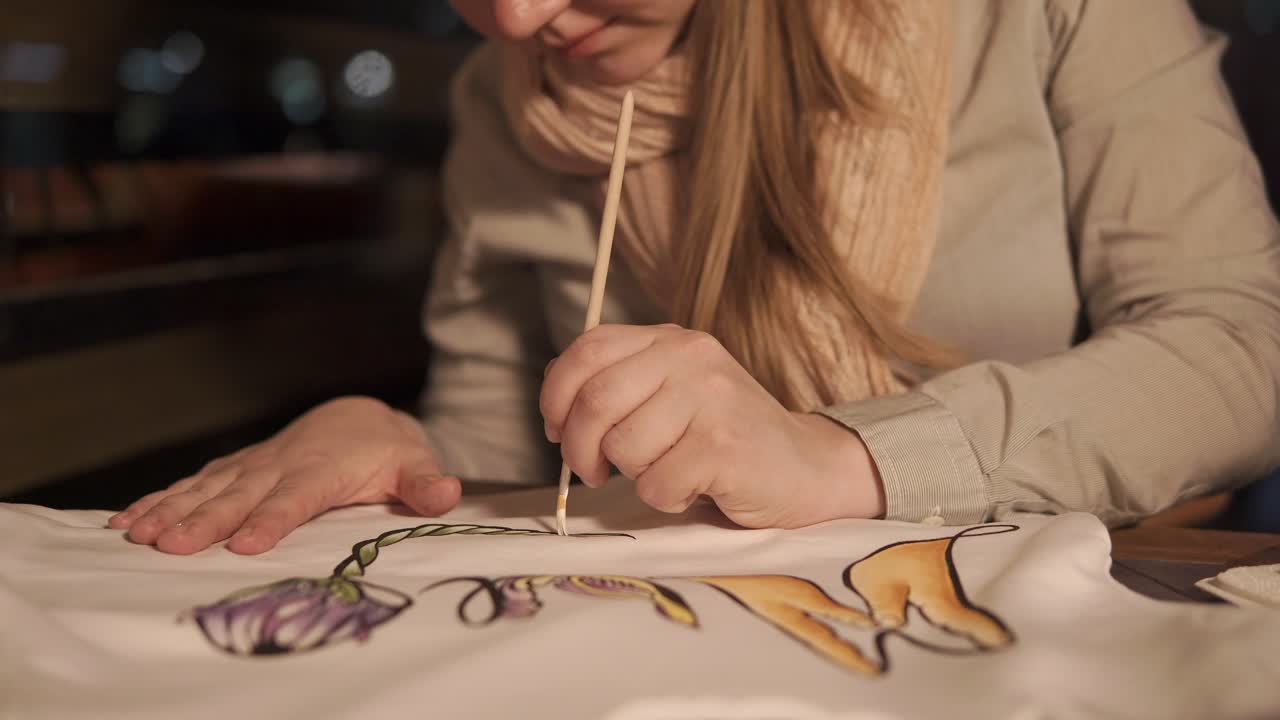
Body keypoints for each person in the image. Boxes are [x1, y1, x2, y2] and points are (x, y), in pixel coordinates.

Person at [109, 0, 1280, 556]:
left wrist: (844, 454)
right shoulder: (495, 102)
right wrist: (396, 443)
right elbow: (517, 466)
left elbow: (1243, 345)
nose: (518, 18)